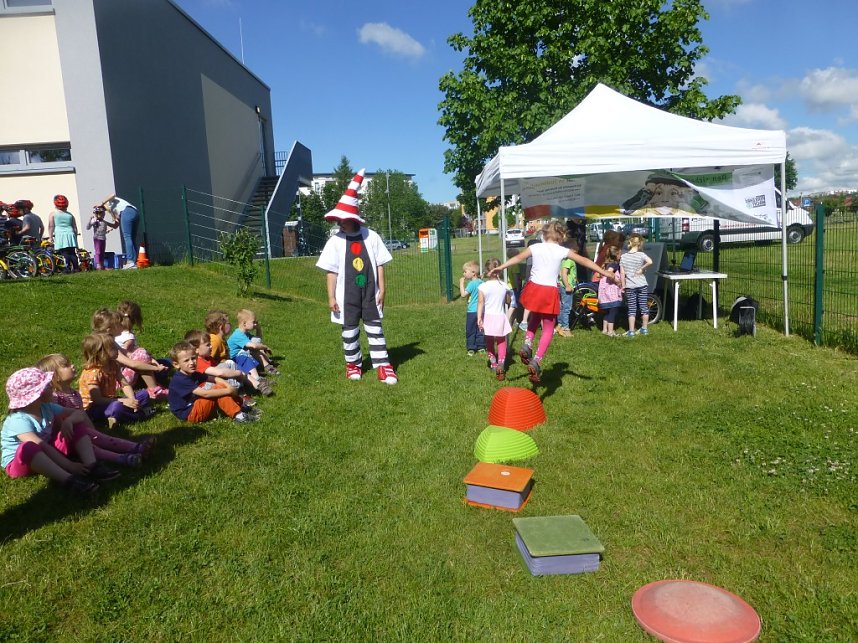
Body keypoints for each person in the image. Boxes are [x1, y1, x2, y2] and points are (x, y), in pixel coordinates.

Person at [489, 220, 612, 383]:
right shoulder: (562, 251)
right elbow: (585, 261)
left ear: (544, 234)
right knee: (548, 328)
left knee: (534, 318)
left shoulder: (535, 247)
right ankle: (537, 360)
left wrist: (501, 267)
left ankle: (527, 343)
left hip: (533, 288)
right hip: (548, 291)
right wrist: (603, 271)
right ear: (561, 236)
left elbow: (518, 258)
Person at [315, 168, 397, 384]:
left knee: (374, 327)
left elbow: (379, 265)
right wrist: (331, 297)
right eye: (338, 219)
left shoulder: (371, 236)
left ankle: (382, 365)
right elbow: (331, 272)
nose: (340, 222)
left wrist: (382, 289)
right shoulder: (334, 242)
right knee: (349, 330)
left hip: (370, 293)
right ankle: (353, 364)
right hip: (346, 296)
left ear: (352, 218)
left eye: (343, 218)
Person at [2, 367, 119, 494]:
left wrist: (69, 421)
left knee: (75, 424)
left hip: (47, 452)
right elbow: (41, 446)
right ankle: (68, 480)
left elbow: (79, 414)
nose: (51, 386)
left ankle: (92, 465)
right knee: (28, 447)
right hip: (23, 463)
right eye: (47, 386)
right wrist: (69, 465)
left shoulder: (47, 407)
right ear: (36, 396)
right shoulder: (18, 420)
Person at [37, 353, 153, 467]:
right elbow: (58, 425)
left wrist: (94, 432)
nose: (72, 366)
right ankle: (123, 458)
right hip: (66, 438)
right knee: (95, 448)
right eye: (66, 365)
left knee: (103, 439)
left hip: (81, 432)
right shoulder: (55, 398)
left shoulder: (75, 394)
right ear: (55, 376)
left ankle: (136, 448)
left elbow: (82, 414)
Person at [167, 341, 257, 424]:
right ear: (176, 364)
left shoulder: (193, 373)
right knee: (217, 389)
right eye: (186, 360)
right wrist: (228, 390)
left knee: (219, 385)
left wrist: (227, 386)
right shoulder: (180, 379)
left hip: (196, 404)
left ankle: (240, 406)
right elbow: (205, 394)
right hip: (189, 413)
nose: (191, 362)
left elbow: (213, 379)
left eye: (193, 358)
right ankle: (239, 416)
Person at [79, 333, 153, 429]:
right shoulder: (92, 373)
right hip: (94, 408)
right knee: (116, 407)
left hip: (112, 399)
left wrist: (131, 399)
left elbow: (125, 384)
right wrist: (123, 401)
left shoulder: (113, 365)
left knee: (144, 394)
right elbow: (97, 400)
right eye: (112, 348)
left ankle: (117, 418)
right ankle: (139, 415)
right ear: (101, 353)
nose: (117, 349)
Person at [91, 307, 170, 396]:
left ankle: (153, 385)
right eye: (119, 324)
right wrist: (156, 368)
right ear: (109, 330)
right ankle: (154, 390)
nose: (122, 325)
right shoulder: (107, 346)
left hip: (115, 377)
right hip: (113, 383)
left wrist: (150, 358)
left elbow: (127, 353)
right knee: (142, 356)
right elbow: (132, 364)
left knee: (141, 353)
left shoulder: (108, 340)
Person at [205, 310, 272, 396]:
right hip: (219, 371)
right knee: (235, 366)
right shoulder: (215, 340)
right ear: (221, 326)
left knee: (239, 367)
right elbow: (207, 360)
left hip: (226, 367)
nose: (231, 325)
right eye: (228, 323)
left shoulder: (220, 339)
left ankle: (258, 384)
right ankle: (253, 387)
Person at [183, 329, 258, 406]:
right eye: (207, 345)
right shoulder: (198, 361)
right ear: (196, 350)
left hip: (213, 384)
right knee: (229, 365)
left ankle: (248, 388)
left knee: (228, 368)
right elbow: (219, 373)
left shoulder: (209, 358)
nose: (211, 346)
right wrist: (237, 373)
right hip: (203, 390)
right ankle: (238, 395)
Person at [477, 258, 512, 381]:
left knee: (489, 341)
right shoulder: (504, 285)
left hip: (488, 317)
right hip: (500, 316)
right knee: (501, 340)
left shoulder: (483, 286)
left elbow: (481, 302)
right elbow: (508, 301)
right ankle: (501, 363)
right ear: (500, 270)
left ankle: (493, 363)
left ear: (487, 271)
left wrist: (479, 318)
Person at [227, 309, 279, 376]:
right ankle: (267, 366)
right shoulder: (238, 335)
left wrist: (258, 328)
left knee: (257, 347)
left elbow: (257, 341)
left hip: (244, 358)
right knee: (254, 349)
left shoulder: (246, 334)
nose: (255, 324)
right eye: (253, 322)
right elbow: (254, 346)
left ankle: (267, 364)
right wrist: (265, 347)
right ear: (244, 323)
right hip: (236, 361)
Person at [619, 233, 653, 337]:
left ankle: (631, 331)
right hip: (642, 285)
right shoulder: (641, 255)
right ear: (639, 244)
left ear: (629, 243)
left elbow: (622, 273)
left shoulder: (623, 257)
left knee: (632, 309)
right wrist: (642, 268)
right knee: (644, 307)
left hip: (630, 286)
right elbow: (650, 261)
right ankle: (644, 329)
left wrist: (623, 285)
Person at [102, 193, 139, 267]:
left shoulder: (110, 202)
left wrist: (102, 203)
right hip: (135, 213)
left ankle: (130, 261)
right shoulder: (114, 210)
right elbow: (116, 225)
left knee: (127, 237)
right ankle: (135, 262)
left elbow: (113, 194)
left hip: (126, 211)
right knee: (132, 238)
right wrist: (105, 223)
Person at [460, 260, 485, 356]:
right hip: (481, 310)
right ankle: (481, 346)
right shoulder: (482, 282)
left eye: (465, 272)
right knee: (480, 328)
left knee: (470, 329)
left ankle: (471, 347)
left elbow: (463, 294)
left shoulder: (471, 284)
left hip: (472, 311)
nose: (464, 273)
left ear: (473, 273)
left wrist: (461, 283)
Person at [48, 194, 79, 272]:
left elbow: (51, 226)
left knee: (64, 252)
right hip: (70, 233)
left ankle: (67, 268)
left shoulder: (53, 214)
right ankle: (76, 268)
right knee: (72, 253)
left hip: (60, 234)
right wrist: (75, 236)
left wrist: (50, 237)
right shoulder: (70, 215)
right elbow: (74, 227)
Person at [597, 245, 623, 337]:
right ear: (616, 255)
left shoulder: (606, 264)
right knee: (613, 311)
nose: (621, 256)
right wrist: (617, 281)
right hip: (611, 291)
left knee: (607, 311)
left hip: (604, 291)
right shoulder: (614, 264)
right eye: (620, 254)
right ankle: (610, 331)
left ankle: (604, 329)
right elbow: (610, 274)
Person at [86, 205, 118, 270]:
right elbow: (88, 227)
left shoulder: (104, 222)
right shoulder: (94, 221)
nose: (101, 215)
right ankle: (98, 265)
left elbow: (114, 226)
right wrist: (90, 220)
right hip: (97, 238)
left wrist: (116, 219)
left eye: (102, 213)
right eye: (98, 213)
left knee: (102, 252)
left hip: (103, 238)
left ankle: (102, 265)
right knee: (98, 252)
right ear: (96, 214)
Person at [556, 246, 576, 337]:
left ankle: (560, 325)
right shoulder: (569, 260)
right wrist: (567, 285)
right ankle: (565, 328)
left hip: (561, 285)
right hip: (566, 287)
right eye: (575, 252)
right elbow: (563, 273)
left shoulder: (563, 260)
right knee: (566, 308)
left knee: (561, 306)